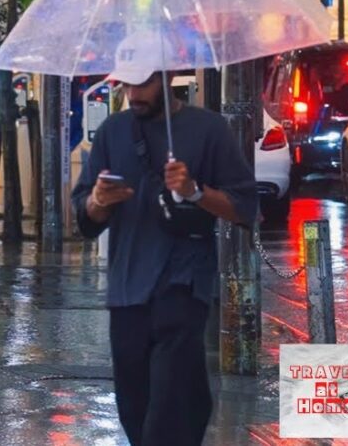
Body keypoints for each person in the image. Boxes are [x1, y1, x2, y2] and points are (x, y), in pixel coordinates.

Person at [70, 35, 258, 446]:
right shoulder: (112, 132)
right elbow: (84, 219)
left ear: (169, 76)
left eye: (143, 83)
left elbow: (245, 208)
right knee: (134, 405)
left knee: (168, 403)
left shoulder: (208, 129)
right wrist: (100, 201)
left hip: (184, 283)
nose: (133, 94)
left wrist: (194, 192)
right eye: (126, 84)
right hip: (127, 288)